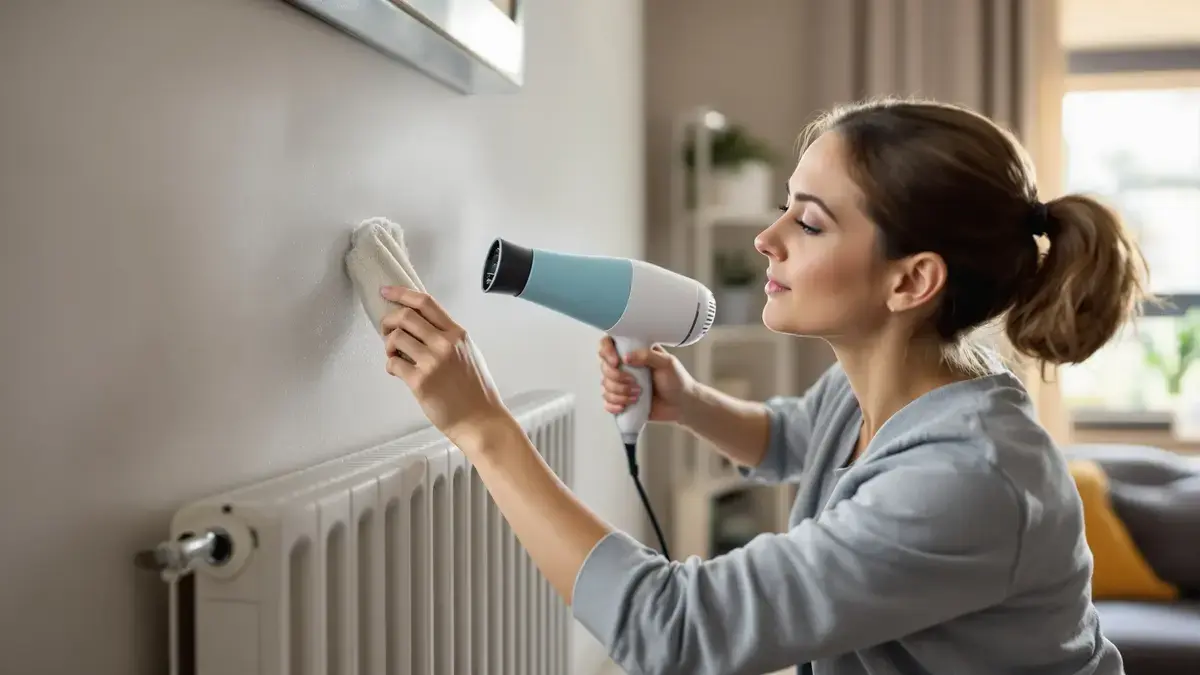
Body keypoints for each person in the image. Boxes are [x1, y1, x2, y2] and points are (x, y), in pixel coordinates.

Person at [375, 97, 1148, 675]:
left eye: (808, 223)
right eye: (786, 205)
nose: (765, 239)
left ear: (912, 279)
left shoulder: (967, 478)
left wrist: (483, 428)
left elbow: (674, 628)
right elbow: (794, 438)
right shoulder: (882, 387)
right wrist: (688, 402)